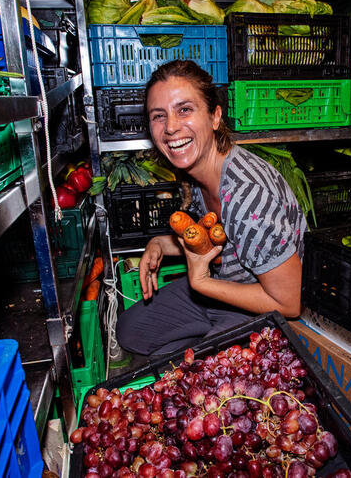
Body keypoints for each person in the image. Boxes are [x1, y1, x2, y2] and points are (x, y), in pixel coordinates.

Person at [116, 60, 307, 356]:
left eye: (184, 110)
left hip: (261, 308)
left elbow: (289, 302)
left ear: (215, 116)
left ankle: (215, 350)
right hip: (219, 287)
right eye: (158, 116)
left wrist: (202, 282)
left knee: (195, 380)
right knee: (131, 331)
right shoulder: (197, 172)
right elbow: (218, 241)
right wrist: (159, 243)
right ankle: (206, 345)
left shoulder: (247, 195)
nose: (170, 127)